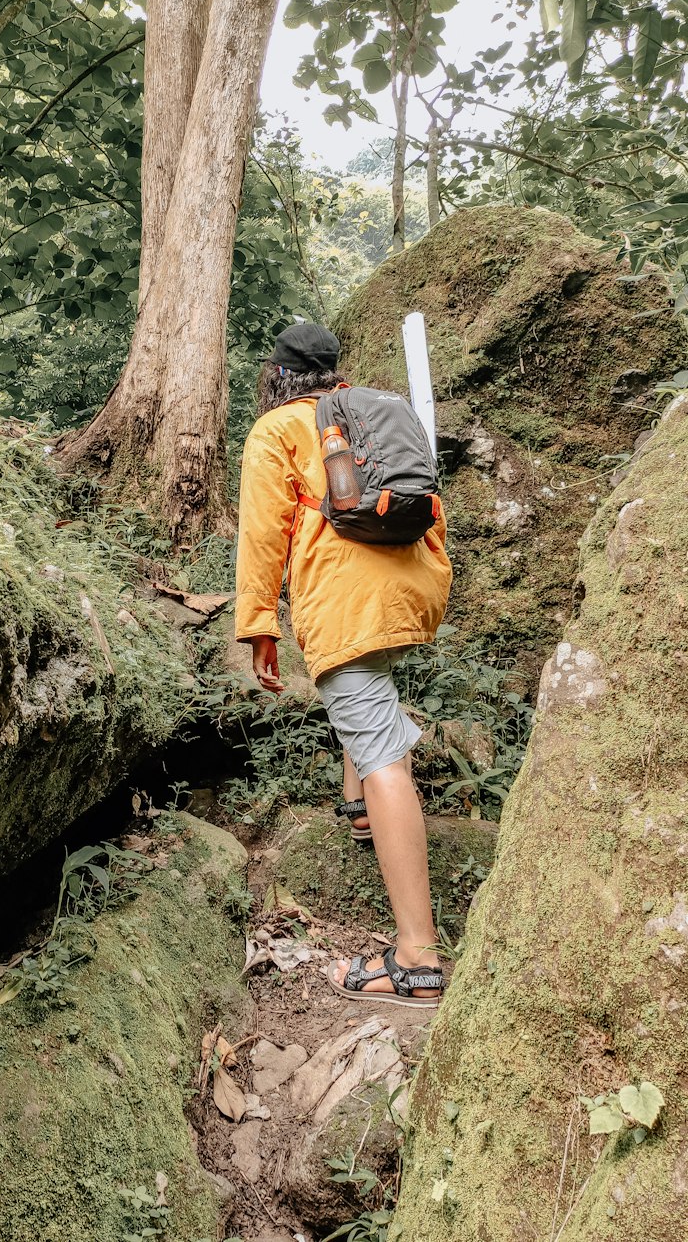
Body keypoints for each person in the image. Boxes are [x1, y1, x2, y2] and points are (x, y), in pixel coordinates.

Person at [234, 321, 453, 1006]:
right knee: (370, 699)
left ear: (278, 374)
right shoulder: (375, 412)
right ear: (333, 372)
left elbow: (262, 532)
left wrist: (259, 625)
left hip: (345, 596)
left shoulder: (276, 432)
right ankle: (361, 812)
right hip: (410, 587)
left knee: (378, 742)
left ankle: (416, 959)